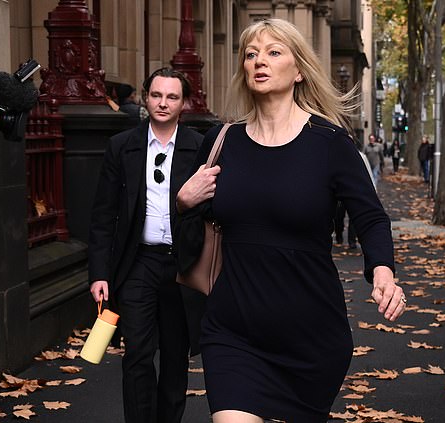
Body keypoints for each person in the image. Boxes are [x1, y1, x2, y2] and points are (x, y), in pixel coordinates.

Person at [174, 18, 406, 423]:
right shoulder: (220, 142)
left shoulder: (329, 143)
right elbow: (188, 228)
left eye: (273, 52)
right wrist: (182, 202)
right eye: (251, 54)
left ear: (299, 70)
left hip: (310, 336)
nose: (259, 61)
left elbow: (370, 217)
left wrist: (383, 272)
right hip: (233, 331)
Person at [88, 67, 204, 423]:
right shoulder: (122, 146)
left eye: (172, 97)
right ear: (145, 97)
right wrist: (99, 274)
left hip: (182, 267)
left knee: (174, 357)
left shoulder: (200, 147)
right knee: (136, 353)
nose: (163, 103)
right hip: (137, 264)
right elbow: (103, 216)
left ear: (183, 103)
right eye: (156, 95)